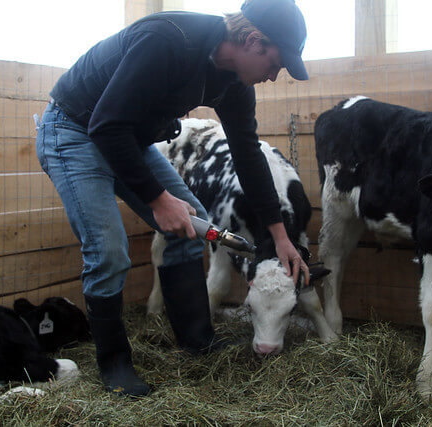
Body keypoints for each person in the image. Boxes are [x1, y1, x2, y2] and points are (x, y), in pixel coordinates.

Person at [35, 0, 310, 397]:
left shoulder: (234, 82)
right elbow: (105, 125)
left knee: (193, 223)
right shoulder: (167, 41)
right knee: (109, 249)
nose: (274, 75)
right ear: (253, 40)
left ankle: (197, 339)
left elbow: (248, 156)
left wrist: (280, 236)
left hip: (125, 136)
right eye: (276, 63)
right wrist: (158, 199)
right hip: (73, 130)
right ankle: (114, 364)